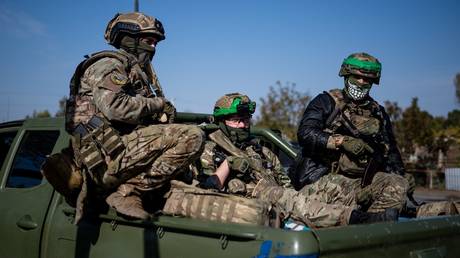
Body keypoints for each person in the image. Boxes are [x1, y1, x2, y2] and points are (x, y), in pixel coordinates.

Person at [65, 12, 204, 220]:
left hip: (121, 152)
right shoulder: (109, 65)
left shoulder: (135, 70)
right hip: (106, 159)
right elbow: (114, 107)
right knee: (192, 137)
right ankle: (128, 192)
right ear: (130, 39)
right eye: (149, 41)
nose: (153, 48)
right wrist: (158, 104)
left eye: (156, 43)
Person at [195, 93, 397, 228]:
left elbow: (286, 184)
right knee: (282, 196)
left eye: (246, 120)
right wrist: (227, 166)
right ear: (222, 122)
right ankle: (357, 219)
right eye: (236, 120)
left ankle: (375, 210)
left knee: (333, 184)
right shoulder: (210, 150)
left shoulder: (259, 149)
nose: (242, 125)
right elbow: (207, 192)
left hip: (283, 198)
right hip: (248, 205)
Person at [292, 52, 413, 215]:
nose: (362, 82)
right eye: (357, 77)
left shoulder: (378, 112)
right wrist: (340, 141)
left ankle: (374, 228)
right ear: (346, 75)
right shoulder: (326, 102)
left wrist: (402, 175)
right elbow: (305, 133)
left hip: (363, 181)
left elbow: (390, 150)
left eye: (367, 79)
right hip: (323, 179)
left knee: (397, 184)